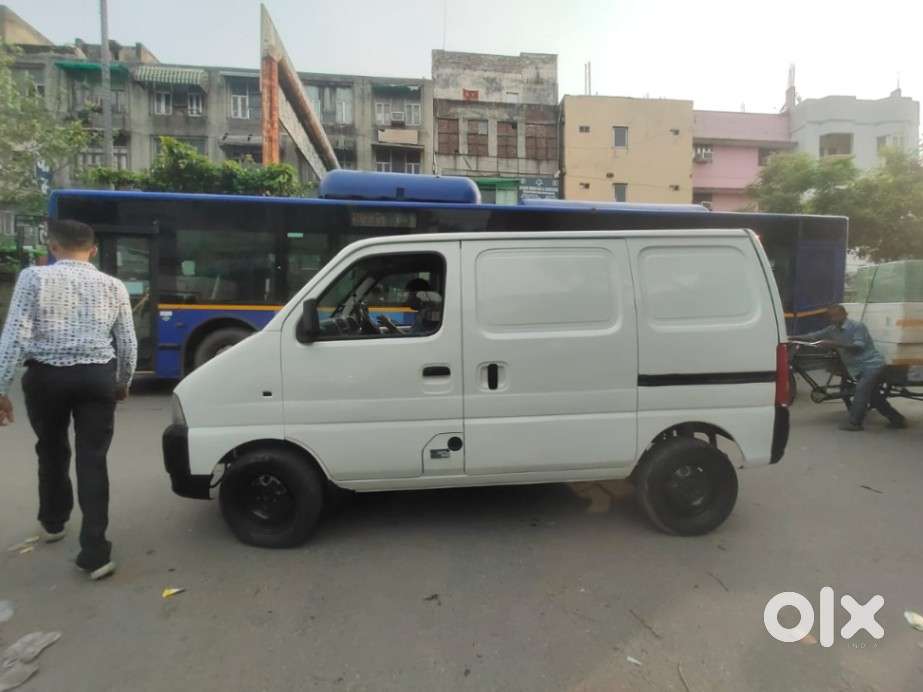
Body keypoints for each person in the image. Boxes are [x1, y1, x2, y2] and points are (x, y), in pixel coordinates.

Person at [0, 220, 137, 580]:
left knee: (51, 448)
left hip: (46, 378)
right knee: (93, 460)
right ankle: (95, 553)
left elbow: (14, 334)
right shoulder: (113, 285)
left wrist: (1, 389)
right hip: (97, 378)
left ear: (52, 246)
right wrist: (122, 382)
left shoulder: (34, 278)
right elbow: (127, 343)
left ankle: (53, 522)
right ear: (93, 250)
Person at [792, 304, 906, 431]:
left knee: (861, 390)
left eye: (837, 315)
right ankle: (897, 419)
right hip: (856, 368)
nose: (834, 319)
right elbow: (813, 336)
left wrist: (834, 344)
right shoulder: (832, 330)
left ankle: (854, 422)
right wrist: (792, 338)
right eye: (832, 317)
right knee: (874, 397)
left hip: (871, 364)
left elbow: (859, 346)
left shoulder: (857, 327)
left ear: (845, 314)